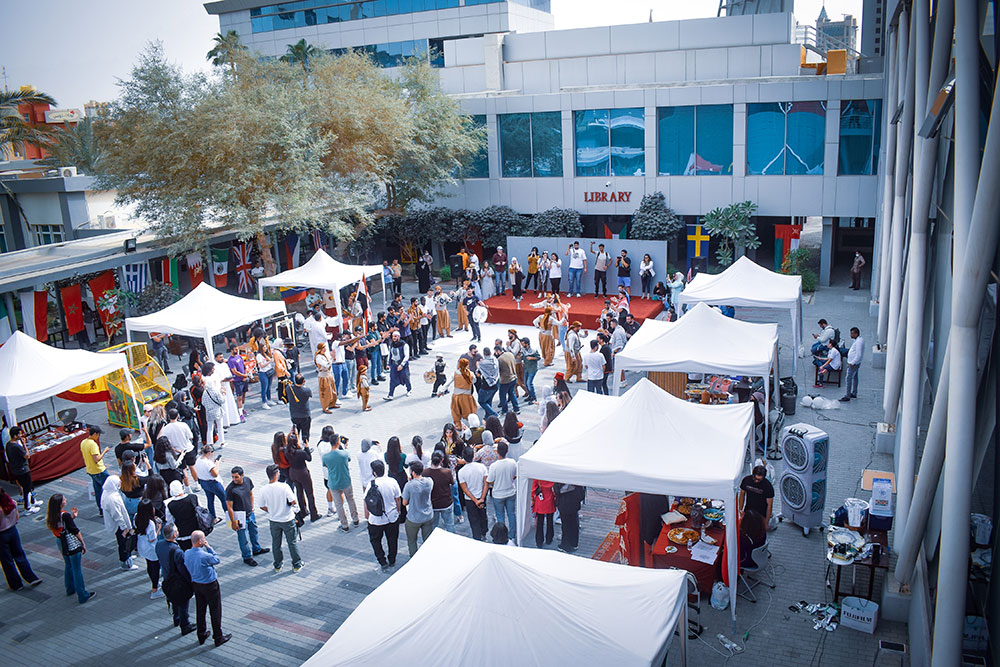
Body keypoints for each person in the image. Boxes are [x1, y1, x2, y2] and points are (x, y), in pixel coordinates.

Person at [184, 531, 230, 647]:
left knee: (201, 609)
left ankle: (201, 633)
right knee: (215, 610)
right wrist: (209, 547)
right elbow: (216, 559)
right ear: (200, 541)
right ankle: (218, 637)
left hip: (196, 584)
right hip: (210, 585)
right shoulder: (204, 555)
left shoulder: (187, 553)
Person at [46, 494, 94, 603]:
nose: (65, 500)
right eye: (63, 499)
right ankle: (82, 594)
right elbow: (75, 530)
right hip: (70, 543)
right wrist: (83, 543)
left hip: (60, 542)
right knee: (77, 569)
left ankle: (70, 588)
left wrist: (72, 517)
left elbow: (62, 526)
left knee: (68, 565)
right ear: (60, 503)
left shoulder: (52, 515)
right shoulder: (65, 515)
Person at [258, 464, 303, 572]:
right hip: (287, 519)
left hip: (274, 520)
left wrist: (272, 510)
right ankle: (296, 564)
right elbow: (294, 501)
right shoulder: (284, 486)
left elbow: (261, 506)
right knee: (292, 542)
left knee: (276, 543)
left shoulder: (263, 489)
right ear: (277, 474)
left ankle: (277, 565)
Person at [156, 522, 194, 635]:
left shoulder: (159, 545)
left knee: (173, 600)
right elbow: (183, 569)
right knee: (183, 603)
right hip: (178, 581)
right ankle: (185, 624)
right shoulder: (177, 552)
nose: (178, 532)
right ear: (174, 535)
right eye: (176, 531)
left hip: (167, 578)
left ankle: (176, 618)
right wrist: (190, 582)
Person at [225, 466, 268, 566]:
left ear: (242, 475)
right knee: (243, 538)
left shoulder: (248, 481)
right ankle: (247, 557)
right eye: (233, 477)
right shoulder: (230, 489)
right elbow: (229, 507)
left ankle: (256, 549)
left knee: (254, 532)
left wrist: (252, 507)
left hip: (250, 514)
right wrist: (233, 522)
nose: (234, 479)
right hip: (239, 517)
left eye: (236, 477)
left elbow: (250, 494)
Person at [0, 488, 41, 590]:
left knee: (7, 561)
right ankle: (31, 577)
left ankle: (16, 584)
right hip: (13, 531)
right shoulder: (12, 503)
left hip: (1, 536)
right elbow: (17, 518)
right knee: (19, 554)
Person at [366, 460, 402, 572]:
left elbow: (366, 500)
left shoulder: (371, 484)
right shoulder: (392, 481)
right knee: (392, 539)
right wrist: (398, 510)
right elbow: (397, 498)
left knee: (375, 540)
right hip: (391, 517)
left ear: (374, 472)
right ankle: (392, 560)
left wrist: (367, 514)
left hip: (376, 519)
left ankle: (382, 561)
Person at [323, 434, 360, 532]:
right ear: (338, 442)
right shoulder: (344, 453)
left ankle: (344, 525)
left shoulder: (325, 457)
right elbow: (349, 459)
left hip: (333, 483)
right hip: (345, 481)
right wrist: (345, 448)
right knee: (350, 500)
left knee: (339, 505)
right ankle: (355, 520)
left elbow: (325, 466)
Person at [100, 475, 137, 571]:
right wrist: (125, 528)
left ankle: (128, 556)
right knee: (123, 543)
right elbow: (118, 516)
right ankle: (126, 562)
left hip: (118, 525)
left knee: (124, 542)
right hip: (119, 526)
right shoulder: (112, 498)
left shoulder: (108, 493)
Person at [285, 432, 321, 524]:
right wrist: (307, 447)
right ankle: (314, 514)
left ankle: (303, 511)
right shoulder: (300, 452)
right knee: (309, 493)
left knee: (299, 492)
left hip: (293, 472)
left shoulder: (286, 451)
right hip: (303, 473)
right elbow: (309, 458)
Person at [401, 460, 434, 555]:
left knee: (412, 541)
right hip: (428, 515)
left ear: (413, 473)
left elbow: (404, 503)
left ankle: (414, 558)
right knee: (427, 540)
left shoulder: (409, 485)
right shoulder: (429, 481)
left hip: (414, 518)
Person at [5, 427, 40, 514]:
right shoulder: (16, 446)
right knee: (27, 488)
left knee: (28, 485)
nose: (21, 435)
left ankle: (33, 501)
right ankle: (28, 507)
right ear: (15, 435)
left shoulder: (8, 445)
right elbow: (27, 456)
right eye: (19, 434)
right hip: (23, 470)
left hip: (16, 469)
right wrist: (24, 444)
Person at [457, 447, 488, 541]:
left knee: (473, 519)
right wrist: (482, 498)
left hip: (470, 500)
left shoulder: (461, 472)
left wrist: (475, 501)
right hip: (481, 496)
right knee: (483, 516)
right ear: (473, 455)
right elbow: (486, 483)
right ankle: (484, 534)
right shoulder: (482, 467)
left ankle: (477, 537)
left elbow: (465, 489)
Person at [134, 499, 163, 599]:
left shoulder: (136, 517)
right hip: (151, 549)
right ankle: (155, 590)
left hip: (142, 546)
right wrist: (159, 527)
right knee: (155, 568)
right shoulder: (150, 523)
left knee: (149, 565)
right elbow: (152, 539)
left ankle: (154, 583)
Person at [486, 441, 517, 536]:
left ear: (497, 452)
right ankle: (512, 535)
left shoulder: (494, 466)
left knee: (500, 516)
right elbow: (515, 476)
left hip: (498, 494)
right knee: (511, 514)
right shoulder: (512, 462)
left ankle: (502, 535)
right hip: (510, 492)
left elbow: (490, 480)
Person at [192, 445, 226, 522]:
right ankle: (229, 516)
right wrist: (217, 464)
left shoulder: (198, 460)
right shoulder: (208, 463)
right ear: (210, 452)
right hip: (213, 483)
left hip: (204, 482)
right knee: (224, 499)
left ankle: (213, 518)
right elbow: (215, 474)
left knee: (210, 500)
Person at [80, 425, 110, 514]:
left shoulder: (83, 442)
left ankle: (101, 510)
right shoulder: (93, 444)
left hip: (90, 470)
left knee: (98, 491)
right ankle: (107, 508)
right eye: (98, 435)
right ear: (95, 434)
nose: (98, 437)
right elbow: (96, 459)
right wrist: (104, 451)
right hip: (99, 470)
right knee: (109, 488)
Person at [425, 450, 455, 533]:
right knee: (449, 524)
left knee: (434, 526)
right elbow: (452, 483)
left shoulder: (425, 472)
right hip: (446, 502)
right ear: (442, 460)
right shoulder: (447, 472)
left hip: (433, 504)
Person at [165, 480, 201, 549]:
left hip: (182, 534)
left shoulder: (170, 505)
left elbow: (169, 521)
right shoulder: (193, 497)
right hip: (196, 530)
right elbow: (201, 511)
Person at [200, 362, 226, 447]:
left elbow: (203, 403)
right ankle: (222, 442)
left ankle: (209, 443)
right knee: (220, 426)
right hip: (217, 411)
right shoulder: (216, 392)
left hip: (209, 412)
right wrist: (223, 394)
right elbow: (222, 401)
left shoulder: (205, 393)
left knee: (210, 428)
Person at [554, 482, 585, 553]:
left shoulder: (561, 480)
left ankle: (565, 546)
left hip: (564, 504)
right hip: (574, 503)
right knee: (574, 524)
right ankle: (574, 544)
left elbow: (557, 490)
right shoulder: (577, 480)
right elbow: (581, 494)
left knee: (566, 526)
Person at [384, 330, 412, 401]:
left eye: (395, 336)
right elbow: (390, 354)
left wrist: (402, 365)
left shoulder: (404, 345)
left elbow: (406, 356)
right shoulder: (391, 344)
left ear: (399, 337)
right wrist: (388, 364)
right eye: (393, 336)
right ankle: (390, 395)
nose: (394, 338)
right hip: (394, 364)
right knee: (392, 379)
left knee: (406, 377)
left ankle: (409, 389)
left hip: (402, 365)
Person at [286, 373, 313, 440]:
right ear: (303, 381)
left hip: (294, 415)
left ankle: (295, 446)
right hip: (305, 415)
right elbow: (310, 395)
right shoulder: (306, 390)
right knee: (305, 433)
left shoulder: (289, 389)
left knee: (295, 432)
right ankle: (305, 446)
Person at [840, 327, 865, 402]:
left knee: (848, 378)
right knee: (855, 377)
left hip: (853, 363)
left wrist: (853, 362)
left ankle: (847, 395)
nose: (850, 335)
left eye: (852, 333)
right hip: (855, 362)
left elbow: (859, 354)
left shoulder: (858, 342)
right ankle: (854, 392)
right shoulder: (858, 340)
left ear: (856, 334)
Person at [314, 342, 339, 412]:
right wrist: (332, 358)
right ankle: (325, 407)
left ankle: (332, 404)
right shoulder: (318, 357)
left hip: (329, 374)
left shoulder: (324, 355)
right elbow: (326, 365)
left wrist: (333, 358)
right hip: (323, 376)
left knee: (333, 390)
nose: (325, 348)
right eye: (324, 347)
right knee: (325, 392)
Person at [475, 348, 499, 418]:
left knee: (481, 401)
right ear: (490, 353)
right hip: (495, 384)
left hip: (486, 386)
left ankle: (493, 414)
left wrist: (477, 365)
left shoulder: (481, 363)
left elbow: (478, 374)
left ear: (484, 354)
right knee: (489, 401)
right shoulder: (495, 360)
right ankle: (487, 417)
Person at [496, 344, 520, 414]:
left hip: (505, 380)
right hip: (513, 377)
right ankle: (516, 408)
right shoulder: (510, 354)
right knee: (512, 393)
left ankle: (504, 410)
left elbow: (498, 370)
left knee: (502, 395)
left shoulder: (500, 359)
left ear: (498, 351)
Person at [532, 479, 556, 548]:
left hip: (540, 500)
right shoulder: (552, 476)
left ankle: (539, 542)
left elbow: (533, 489)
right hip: (550, 499)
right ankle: (549, 538)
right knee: (550, 521)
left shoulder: (538, 476)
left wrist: (532, 498)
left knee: (540, 522)